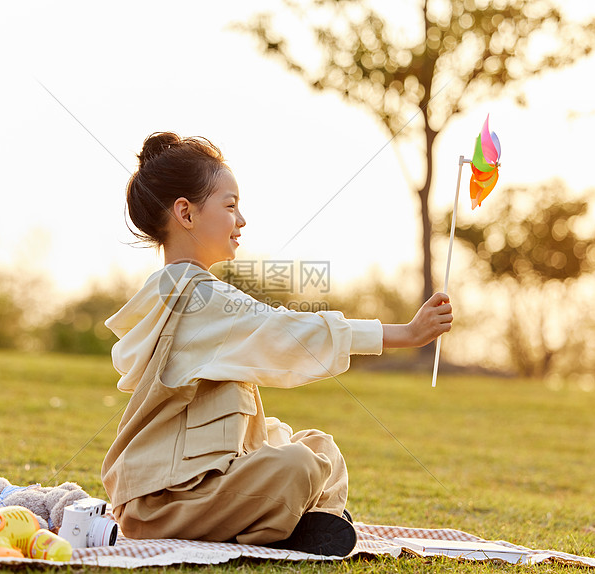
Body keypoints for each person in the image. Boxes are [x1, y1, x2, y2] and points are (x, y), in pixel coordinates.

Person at [101, 132, 453, 556]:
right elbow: (288, 333)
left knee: (319, 447)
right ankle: (289, 527)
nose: (242, 220)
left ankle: (303, 524)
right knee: (299, 465)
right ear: (185, 214)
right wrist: (405, 334)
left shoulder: (191, 293)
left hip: (199, 482)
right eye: (230, 206)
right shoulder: (196, 298)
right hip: (161, 503)